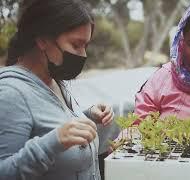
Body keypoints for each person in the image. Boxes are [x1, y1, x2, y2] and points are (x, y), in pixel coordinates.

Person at [0, 0, 114, 180]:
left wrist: (87, 115)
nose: (83, 54)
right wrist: (54, 142)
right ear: (43, 40)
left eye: (86, 46)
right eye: (76, 45)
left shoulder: (55, 80)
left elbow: (47, 121)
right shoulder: (11, 94)